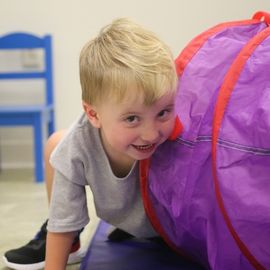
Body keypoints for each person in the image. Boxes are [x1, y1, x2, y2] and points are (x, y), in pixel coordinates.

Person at [3, 17, 178, 270]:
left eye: (163, 112)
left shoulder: (180, 136)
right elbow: (62, 223)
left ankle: (140, 227)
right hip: (129, 216)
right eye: (132, 118)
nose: (151, 134)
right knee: (57, 144)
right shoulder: (79, 144)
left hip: (170, 229)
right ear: (93, 114)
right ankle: (92, 237)